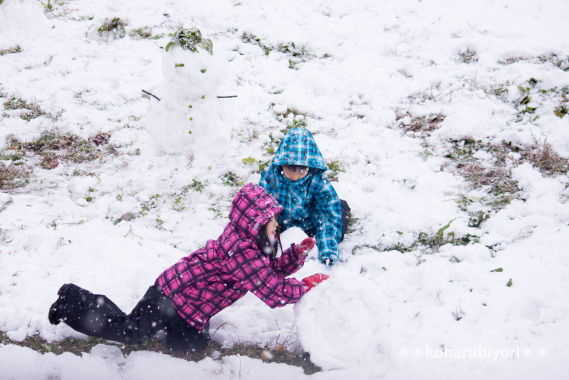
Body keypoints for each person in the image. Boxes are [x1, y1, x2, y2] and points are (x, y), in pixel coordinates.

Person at [48, 183, 329, 353]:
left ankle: (174, 325)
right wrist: (303, 286)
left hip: (193, 305)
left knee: (189, 350)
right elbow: (272, 291)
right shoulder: (242, 251)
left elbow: (268, 274)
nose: (275, 224)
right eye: (270, 219)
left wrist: (296, 255)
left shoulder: (253, 241)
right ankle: (70, 302)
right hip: (170, 293)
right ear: (254, 221)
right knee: (131, 332)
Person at [259, 128, 350, 266]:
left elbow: (326, 215)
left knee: (339, 209)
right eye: (289, 171)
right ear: (281, 164)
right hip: (280, 224)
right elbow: (262, 207)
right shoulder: (271, 177)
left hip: (309, 224)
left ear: (310, 166)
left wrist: (327, 248)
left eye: (301, 171)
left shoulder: (318, 181)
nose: (295, 177)